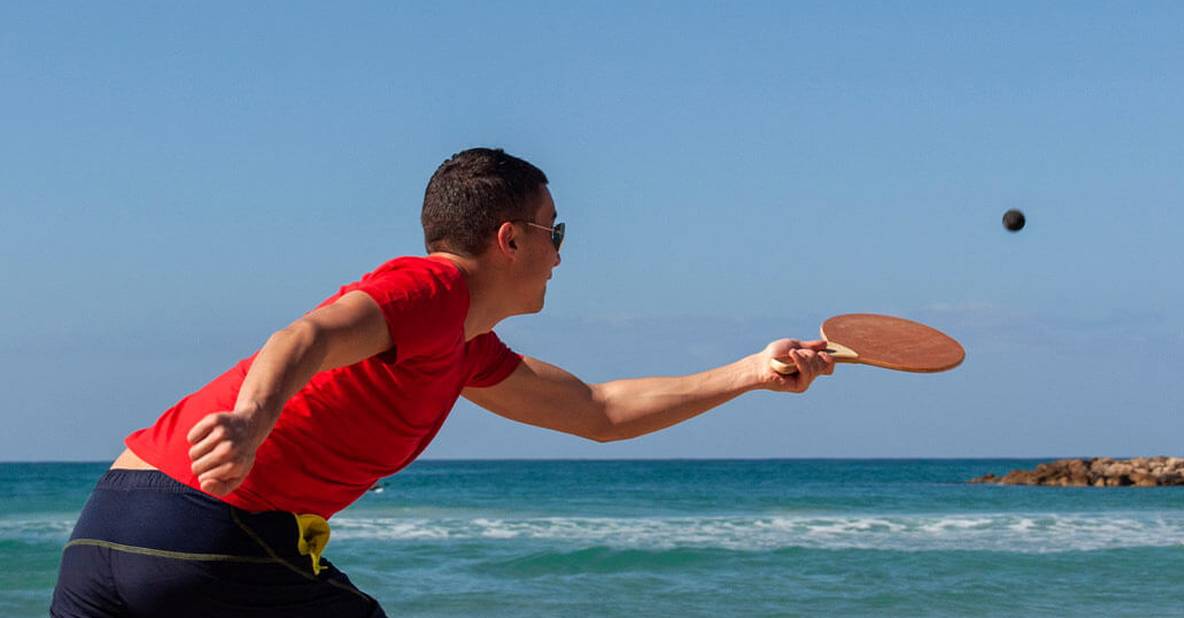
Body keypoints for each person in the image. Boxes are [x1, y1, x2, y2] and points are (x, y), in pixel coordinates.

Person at [51, 148, 835, 617]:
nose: (561, 253)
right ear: (509, 239)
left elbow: (599, 412)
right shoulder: (431, 291)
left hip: (107, 530)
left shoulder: (458, 346)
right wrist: (253, 419)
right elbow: (310, 334)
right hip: (207, 532)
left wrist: (751, 371)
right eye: (553, 232)